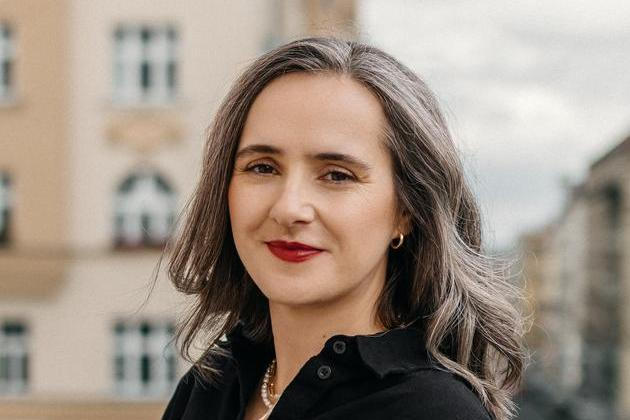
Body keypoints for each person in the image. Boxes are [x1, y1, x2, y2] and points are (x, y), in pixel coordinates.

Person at [160, 36, 528, 420]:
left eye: (337, 175)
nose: (288, 208)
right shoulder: (210, 387)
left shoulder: (435, 412)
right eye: (263, 167)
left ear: (406, 211)